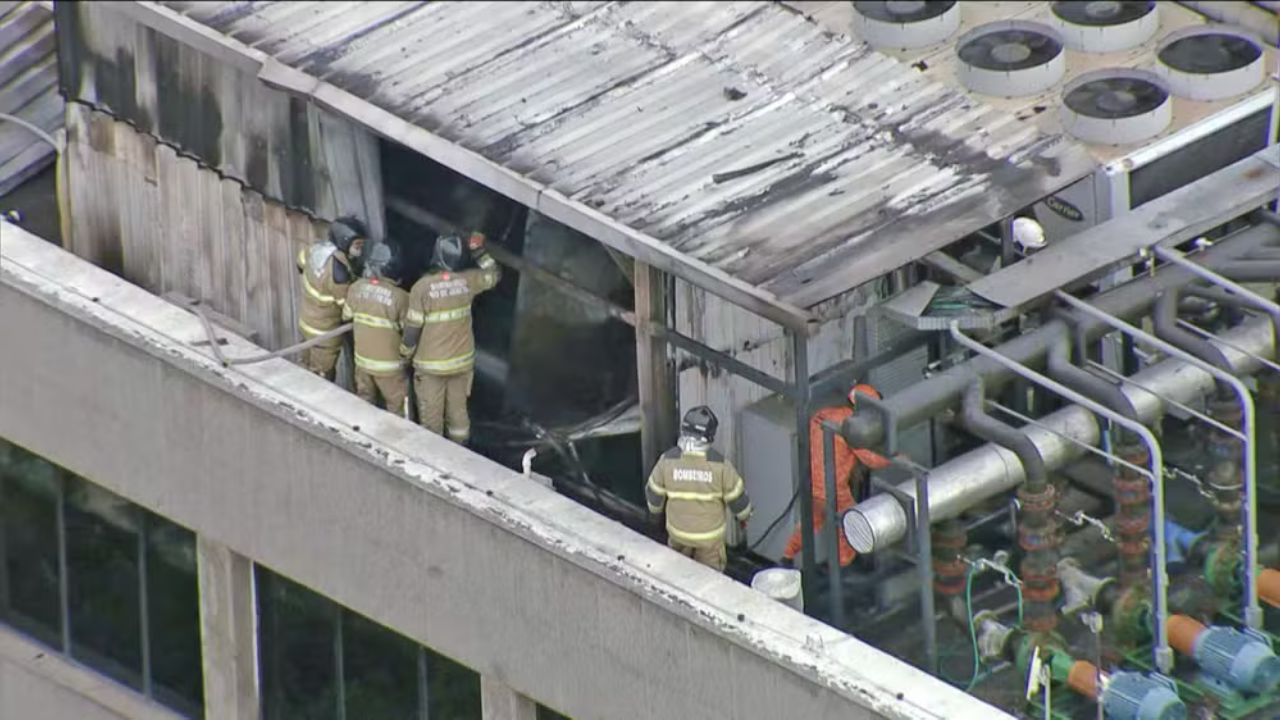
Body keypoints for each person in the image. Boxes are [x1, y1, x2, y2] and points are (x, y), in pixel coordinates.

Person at [400, 232, 500, 444]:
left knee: (431, 420)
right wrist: (480, 252)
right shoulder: (468, 281)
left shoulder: (422, 288)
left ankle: (434, 458)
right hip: (461, 365)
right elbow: (494, 274)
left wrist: (405, 353)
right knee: (459, 417)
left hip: (431, 367)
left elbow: (412, 328)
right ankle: (460, 451)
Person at [781, 383, 890, 568]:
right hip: (833, 488)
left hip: (813, 486)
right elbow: (872, 460)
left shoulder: (824, 415)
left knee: (813, 521)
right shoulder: (852, 428)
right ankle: (841, 569)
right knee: (852, 523)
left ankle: (787, 555)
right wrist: (895, 457)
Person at [645, 406, 753, 573]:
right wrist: (744, 516)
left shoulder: (667, 460)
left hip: (678, 535)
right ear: (710, 436)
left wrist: (658, 512)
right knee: (710, 582)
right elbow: (739, 502)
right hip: (709, 540)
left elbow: (653, 501)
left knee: (677, 576)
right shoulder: (721, 466)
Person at [342, 243, 412, 416]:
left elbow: (345, 316)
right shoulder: (401, 297)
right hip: (391, 368)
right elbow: (410, 333)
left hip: (363, 364)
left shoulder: (355, 288)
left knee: (364, 406)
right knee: (398, 411)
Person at [297, 216, 368, 380]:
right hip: (325, 334)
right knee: (322, 377)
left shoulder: (316, 250)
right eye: (357, 245)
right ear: (344, 242)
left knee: (303, 367)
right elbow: (347, 311)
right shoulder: (339, 275)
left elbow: (300, 263)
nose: (361, 250)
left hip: (306, 323)